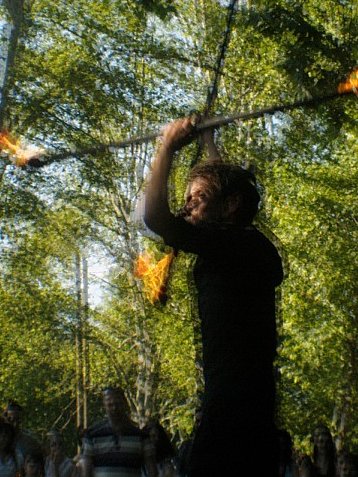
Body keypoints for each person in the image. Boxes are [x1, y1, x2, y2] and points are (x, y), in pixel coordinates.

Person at [143, 118, 284, 477]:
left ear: (231, 205)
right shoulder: (240, 242)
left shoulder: (231, 243)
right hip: (248, 407)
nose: (187, 206)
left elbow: (157, 218)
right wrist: (209, 140)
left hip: (233, 410)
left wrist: (169, 147)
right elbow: (222, 193)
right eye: (187, 199)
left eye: (197, 199)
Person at [81, 387, 157, 477]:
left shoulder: (141, 436)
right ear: (104, 406)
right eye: (110, 405)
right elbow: (87, 468)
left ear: (124, 405)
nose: (114, 408)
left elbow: (152, 468)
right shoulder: (93, 435)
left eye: (118, 404)